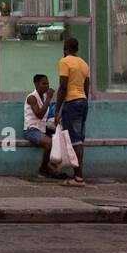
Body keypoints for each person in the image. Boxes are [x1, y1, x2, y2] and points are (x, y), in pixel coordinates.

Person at [55, 37, 91, 186]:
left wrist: (57, 109)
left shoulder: (64, 62)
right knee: (79, 139)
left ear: (65, 48)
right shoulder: (84, 64)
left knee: (75, 140)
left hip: (71, 102)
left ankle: (78, 177)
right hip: (82, 101)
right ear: (77, 49)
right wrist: (84, 101)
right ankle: (78, 175)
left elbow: (63, 87)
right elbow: (86, 86)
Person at [24, 73, 57, 178]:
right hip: (31, 130)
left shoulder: (44, 97)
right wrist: (49, 99)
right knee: (50, 143)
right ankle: (43, 169)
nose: (46, 86)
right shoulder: (32, 98)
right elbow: (39, 115)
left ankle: (54, 167)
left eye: (47, 84)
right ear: (36, 84)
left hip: (42, 129)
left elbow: (45, 118)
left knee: (62, 139)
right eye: (44, 84)